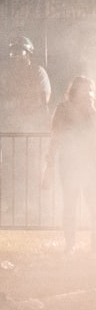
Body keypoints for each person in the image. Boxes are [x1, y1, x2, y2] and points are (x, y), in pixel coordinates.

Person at [43, 76, 96, 253]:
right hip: (70, 162)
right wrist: (49, 164)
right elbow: (56, 137)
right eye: (85, 89)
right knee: (70, 204)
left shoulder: (93, 109)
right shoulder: (64, 109)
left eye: (90, 89)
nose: (88, 93)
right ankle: (70, 244)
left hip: (90, 163)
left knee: (93, 205)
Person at [0, 35, 51, 132]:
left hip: (34, 124)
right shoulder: (9, 75)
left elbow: (43, 99)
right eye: (13, 52)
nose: (15, 55)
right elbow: (2, 97)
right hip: (11, 125)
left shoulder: (37, 72)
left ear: (28, 54)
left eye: (19, 52)